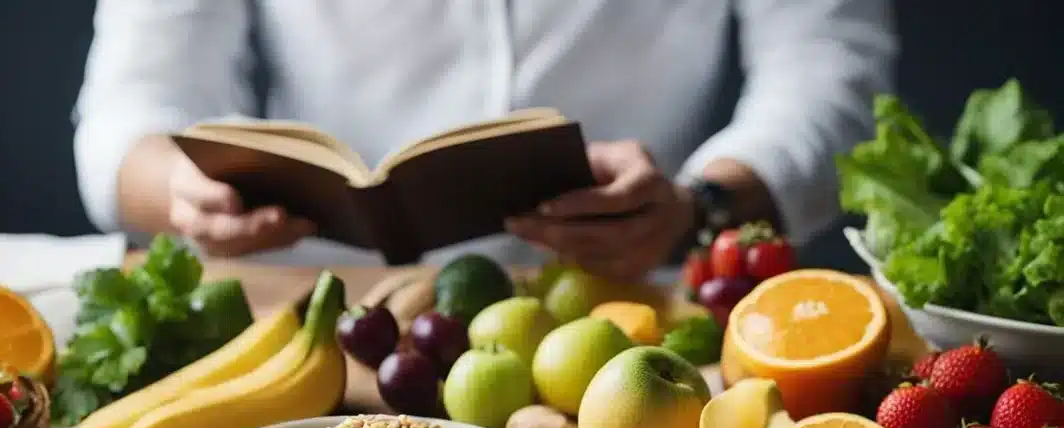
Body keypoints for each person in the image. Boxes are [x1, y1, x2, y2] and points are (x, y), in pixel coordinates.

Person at [73, 0, 896, 280]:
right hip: (316, 309)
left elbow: (832, 72)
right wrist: (183, 193)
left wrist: (699, 206)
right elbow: (132, 105)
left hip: (632, 299)